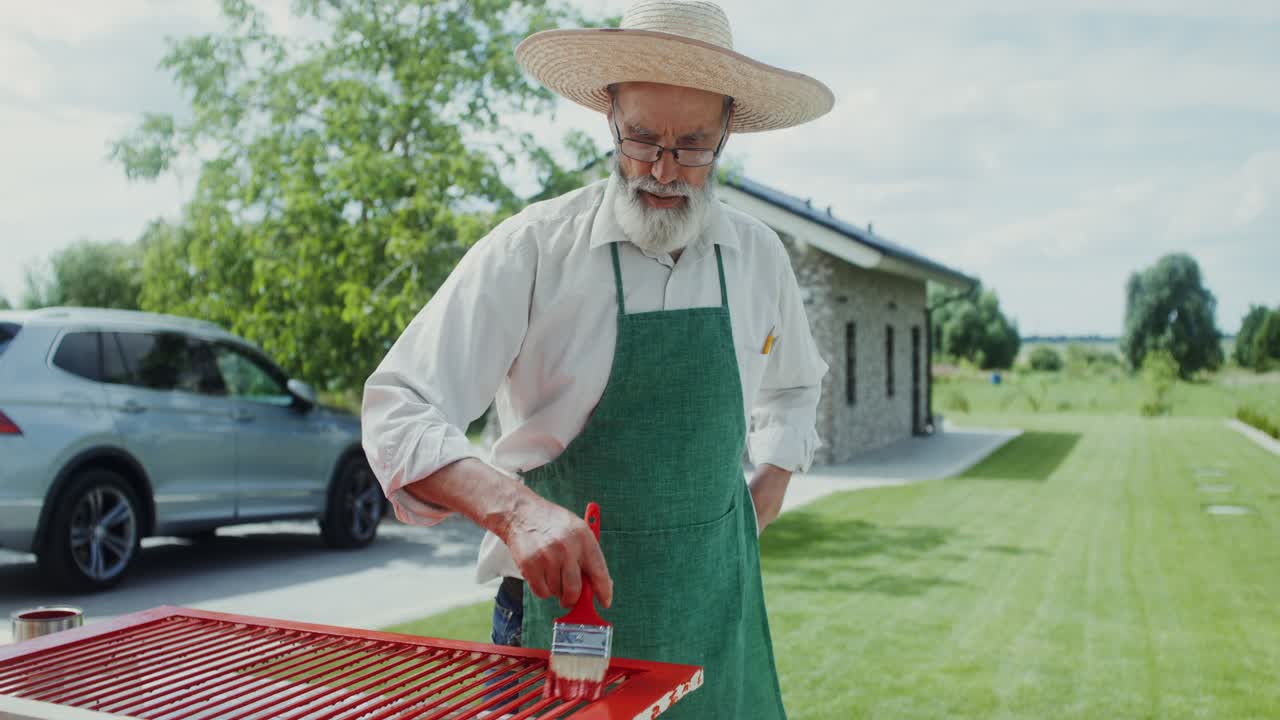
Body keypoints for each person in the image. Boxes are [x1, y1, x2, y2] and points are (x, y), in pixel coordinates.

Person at [362, 1, 833, 716]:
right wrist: (515, 511)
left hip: (716, 622)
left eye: (694, 145)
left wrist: (774, 473)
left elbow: (797, 388)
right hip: (566, 630)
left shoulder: (759, 257)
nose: (664, 170)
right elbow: (397, 407)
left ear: (729, 131)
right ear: (609, 114)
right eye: (642, 138)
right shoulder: (533, 251)